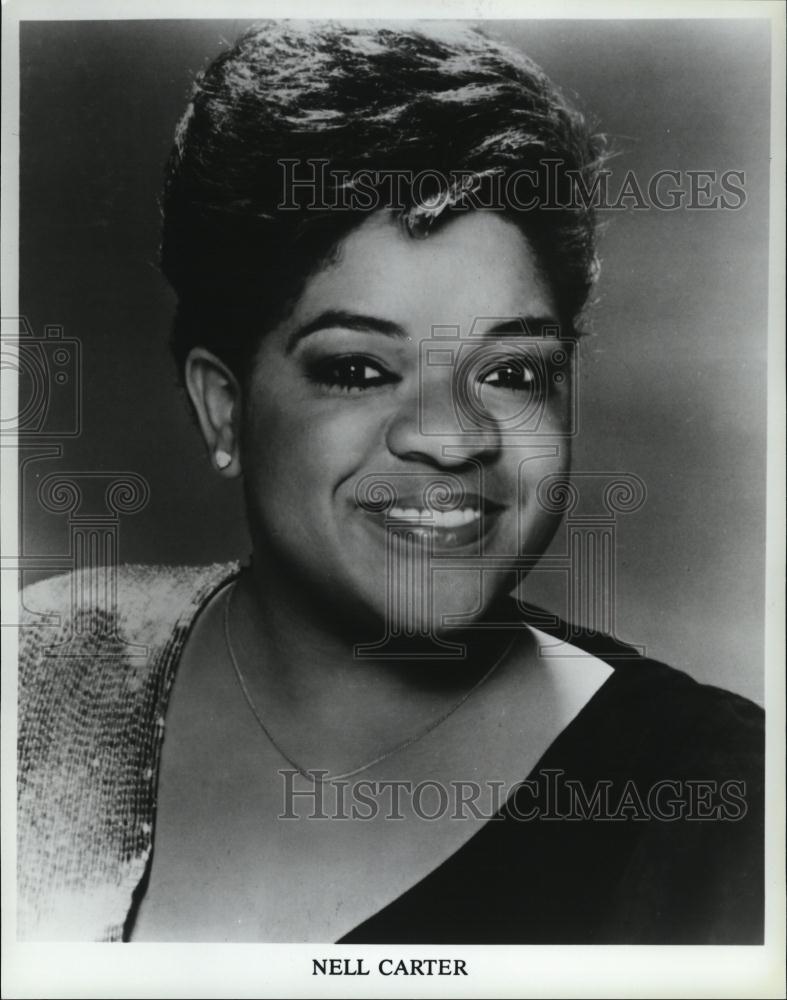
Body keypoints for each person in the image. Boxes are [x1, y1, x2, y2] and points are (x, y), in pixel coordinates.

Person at [17, 21, 763, 944]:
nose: (450, 440)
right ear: (223, 408)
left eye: (511, 373)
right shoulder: (39, 679)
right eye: (359, 371)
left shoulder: (720, 807)